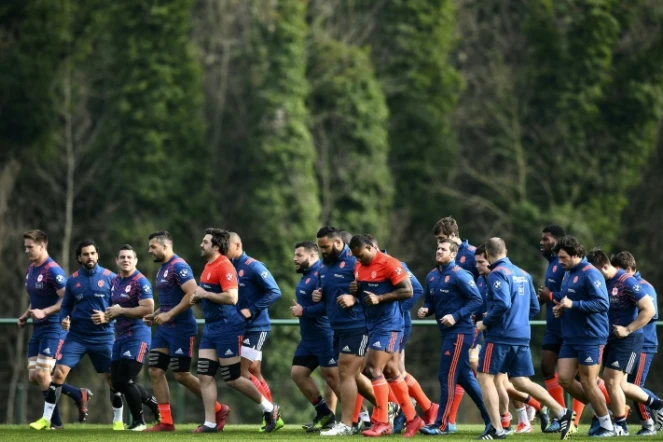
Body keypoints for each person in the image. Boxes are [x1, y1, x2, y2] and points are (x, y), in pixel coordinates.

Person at [476, 238, 573, 440]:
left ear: (487, 253)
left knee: (484, 377)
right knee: (520, 381)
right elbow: (535, 308)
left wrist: (485, 323)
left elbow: (502, 304)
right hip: (521, 334)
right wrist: (518, 320)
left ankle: (497, 429)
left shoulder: (496, 274)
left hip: (500, 335)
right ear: (506, 250)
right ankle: (562, 412)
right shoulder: (523, 274)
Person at [191, 228, 283, 433]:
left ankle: (269, 408)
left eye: (205, 242)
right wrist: (198, 296)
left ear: (216, 246)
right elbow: (208, 293)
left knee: (235, 376)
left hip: (233, 327)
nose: (201, 245)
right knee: (205, 375)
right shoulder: (209, 266)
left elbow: (234, 297)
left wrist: (206, 294)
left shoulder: (231, 266)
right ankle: (211, 423)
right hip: (212, 327)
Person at [143, 231, 229, 432]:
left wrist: (169, 314)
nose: (150, 251)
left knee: (181, 375)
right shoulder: (163, 268)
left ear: (165, 247)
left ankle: (218, 409)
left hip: (181, 328)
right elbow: (170, 300)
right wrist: (156, 314)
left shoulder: (178, 266)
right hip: (165, 328)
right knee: (155, 370)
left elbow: (193, 294)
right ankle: (166, 422)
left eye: (153, 247)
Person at [30, 240, 118, 430]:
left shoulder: (111, 277)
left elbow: (119, 306)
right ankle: (48, 420)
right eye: (85, 254)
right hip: (77, 336)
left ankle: (118, 420)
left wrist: (107, 316)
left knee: (113, 378)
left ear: (98, 255)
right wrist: (64, 320)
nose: (90, 257)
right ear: (79, 257)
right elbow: (66, 306)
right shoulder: (73, 280)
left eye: (93, 253)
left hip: (103, 337)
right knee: (58, 374)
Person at [350, 234, 425, 437]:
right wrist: (355, 290)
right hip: (372, 324)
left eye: (361, 255)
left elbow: (408, 291)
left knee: (372, 368)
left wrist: (380, 298)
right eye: (356, 257)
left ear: (370, 247)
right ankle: (413, 418)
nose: (359, 259)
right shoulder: (358, 266)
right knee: (391, 371)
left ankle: (382, 421)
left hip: (389, 324)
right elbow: (365, 292)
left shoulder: (390, 263)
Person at [539, 235, 613, 436]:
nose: (560, 261)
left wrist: (574, 305)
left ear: (576, 254)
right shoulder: (568, 273)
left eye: (563, 257)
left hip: (591, 336)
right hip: (570, 336)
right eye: (559, 257)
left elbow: (602, 304)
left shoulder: (591, 274)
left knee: (589, 382)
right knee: (564, 379)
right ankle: (602, 412)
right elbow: (568, 299)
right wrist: (562, 308)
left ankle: (606, 424)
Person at [363, 235, 437, 434]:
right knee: (390, 371)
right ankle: (416, 412)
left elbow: (416, 289)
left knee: (385, 370)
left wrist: (397, 310)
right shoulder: (364, 268)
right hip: (379, 324)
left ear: (374, 248)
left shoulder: (395, 265)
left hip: (396, 324)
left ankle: (407, 412)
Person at [418, 239, 490, 436]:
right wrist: (426, 309)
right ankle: (491, 419)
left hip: (461, 333)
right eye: (437, 248)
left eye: (443, 249)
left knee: (446, 375)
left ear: (453, 255)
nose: (439, 251)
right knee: (464, 378)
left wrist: (456, 315)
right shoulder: (432, 276)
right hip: (446, 333)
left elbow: (476, 299)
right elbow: (430, 301)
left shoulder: (460, 275)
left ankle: (442, 425)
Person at [587, 248, 662, 436]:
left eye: (596, 271)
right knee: (620, 385)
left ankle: (621, 426)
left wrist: (628, 329)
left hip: (629, 339)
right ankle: (658, 405)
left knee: (612, 381)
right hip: (612, 339)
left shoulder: (626, 281)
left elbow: (649, 310)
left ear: (605, 266)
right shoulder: (604, 282)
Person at [20, 230, 90, 428]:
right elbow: (36, 299)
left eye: (29, 247)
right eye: (25, 246)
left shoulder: (53, 270)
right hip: (38, 328)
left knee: (43, 375)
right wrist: (27, 314)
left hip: (54, 328)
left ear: (42, 246)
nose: (26, 250)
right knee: (34, 376)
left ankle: (55, 423)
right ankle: (78, 394)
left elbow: (67, 300)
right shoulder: (31, 269)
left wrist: (45, 312)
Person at [312, 226, 375, 436]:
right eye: (320, 247)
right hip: (336, 328)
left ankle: (347, 424)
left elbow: (376, 291)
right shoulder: (323, 267)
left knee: (345, 373)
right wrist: (317, 300)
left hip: (356, 325)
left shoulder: (355, 263)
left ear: (339, 243)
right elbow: (327, 303)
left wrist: (354, 298)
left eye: (326, 246)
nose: (323, 250)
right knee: (353, 375)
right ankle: (395, 405)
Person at [105, 244, 158, 430]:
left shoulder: (140, 282)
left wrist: (121, 310)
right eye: (122, 257)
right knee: (117, 380)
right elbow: (114, 309)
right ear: (117, 261)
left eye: (129, 257)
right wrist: (108, 314)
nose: (126, 260)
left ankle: (139, 421)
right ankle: (153, 404)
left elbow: (148, 308)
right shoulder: (116, 282)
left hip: (137, 335)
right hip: (120, 336)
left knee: (126, 379)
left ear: (135, 260)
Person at [432, 216, 478, 427]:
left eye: (442, 238)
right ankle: (449, 420)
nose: (438, 244)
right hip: (453, 324)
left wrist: (478, 314)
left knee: (478, 372)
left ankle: (507, 416)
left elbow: (481, 288)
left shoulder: (472, 254)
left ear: (453, 236)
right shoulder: (442, 262)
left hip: (471, 322)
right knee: (461, 371)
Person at [290, 241, 339, 432]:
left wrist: (304, 311)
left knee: (333, 379)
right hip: (308, 339)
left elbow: (328, 306)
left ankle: (359, 418)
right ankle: (325, 413)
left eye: (299, 255)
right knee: (297, 374)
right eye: (295, 254)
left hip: (325, 335)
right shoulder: (306, 275)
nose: (295, 258)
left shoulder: (322, 274)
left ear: (312, 256)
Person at [227, 232, 281, 404]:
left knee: (242, 372)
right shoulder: (228, 266)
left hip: (257, 327)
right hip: (240, 326)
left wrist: (252, 310)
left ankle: (271, 410)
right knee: (254, 370)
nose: (222, 250)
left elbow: (275, 292)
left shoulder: (253, 266)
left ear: (237, 245)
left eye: (225, 246)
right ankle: (273, 414)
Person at [612, 251, 660, 435]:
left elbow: (650, 314)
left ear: (630, 269)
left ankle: (649, 423)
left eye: (620, 271)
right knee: (627, 384)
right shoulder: (624, 284)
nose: (618, 276)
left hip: (644, 344)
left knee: (635, 385)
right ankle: (650, 419)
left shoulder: (643, 287)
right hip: (630, 343)